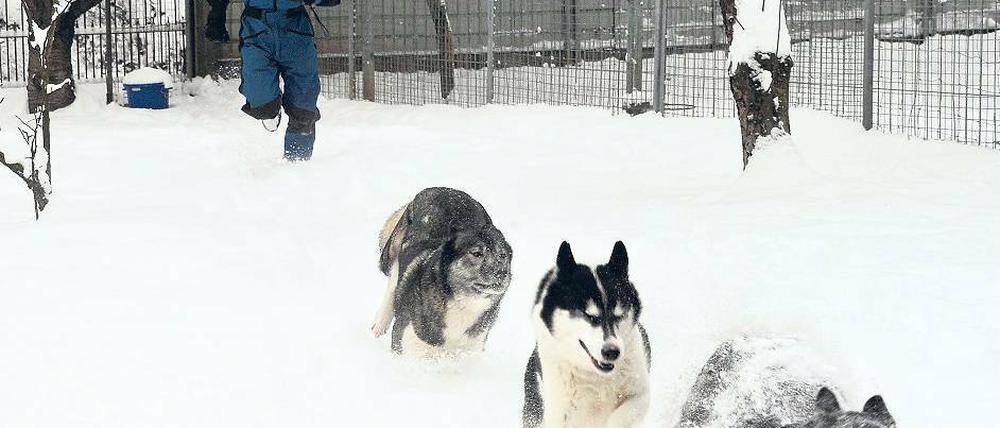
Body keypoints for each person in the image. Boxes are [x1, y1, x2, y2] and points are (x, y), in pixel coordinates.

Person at [205, 0, 339, 161]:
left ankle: (297, 163)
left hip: (295, 28)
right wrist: (216, 13)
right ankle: (271, 105)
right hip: (256, 28)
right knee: (262, 106)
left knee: (303, 108)